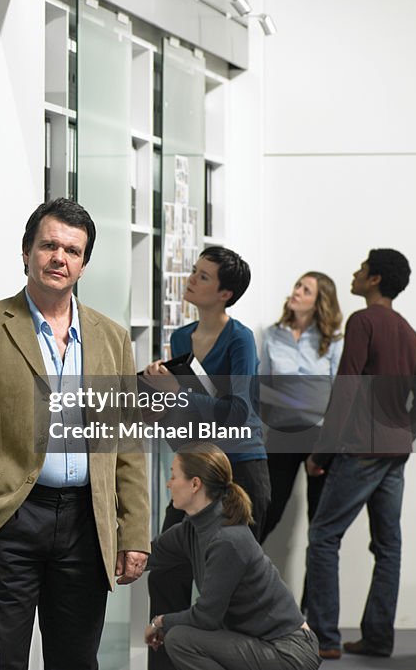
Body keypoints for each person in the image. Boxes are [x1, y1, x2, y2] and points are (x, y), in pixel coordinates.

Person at [0, 198, 151, 670]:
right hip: (10, 516)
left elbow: (127, 444)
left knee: (75, 660)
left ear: (84, 263)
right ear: (27, 252)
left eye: (72, 251)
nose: (60, 258)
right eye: (49, 245)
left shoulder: (111, 338)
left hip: (86, 523)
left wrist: (133, 531)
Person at [304, 250, 416, 660]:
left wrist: (320, 453)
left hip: (360, 449)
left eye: (361, 269)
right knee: (388, 546)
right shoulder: (409, 332)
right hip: (394, 454)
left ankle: (324, 637)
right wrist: (400, 435)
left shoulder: (363, 322)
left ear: (375, 279)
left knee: (324, 537)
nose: (355, 273)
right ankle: (378, 638)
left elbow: (346, 390)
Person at [142, 245, 268, 670]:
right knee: (164, 569)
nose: (191, 281)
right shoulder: (180, 339)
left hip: (240, 471)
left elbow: (238, 412)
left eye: (203, 277)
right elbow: (184, 417)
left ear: (225, 294)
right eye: (194, 272)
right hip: (198, 465)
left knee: (231, 587)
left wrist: (183, 393)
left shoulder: (240, 340)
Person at [143, 443, 321, 670]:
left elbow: (206, 617)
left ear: (195, 484)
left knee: (181, 638)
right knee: (181, 635)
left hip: (290, 651)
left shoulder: (227, 539)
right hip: (264, 644)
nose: (169, 484)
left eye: (174, 476)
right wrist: (111, 561)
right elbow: (146, 555)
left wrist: (160, 622)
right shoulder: (193, 528)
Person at [258, 272, 343, 543]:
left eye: (306, 290)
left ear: (320, 302)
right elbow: (260, 387)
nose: (296, 292)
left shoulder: (332, 341)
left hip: (320, 436)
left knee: (319, 525)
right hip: (282, 433)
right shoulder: (273, 334)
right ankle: (241, 579)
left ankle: (315, 588)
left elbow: (340, 395)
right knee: (266, 513)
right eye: (297, 286)